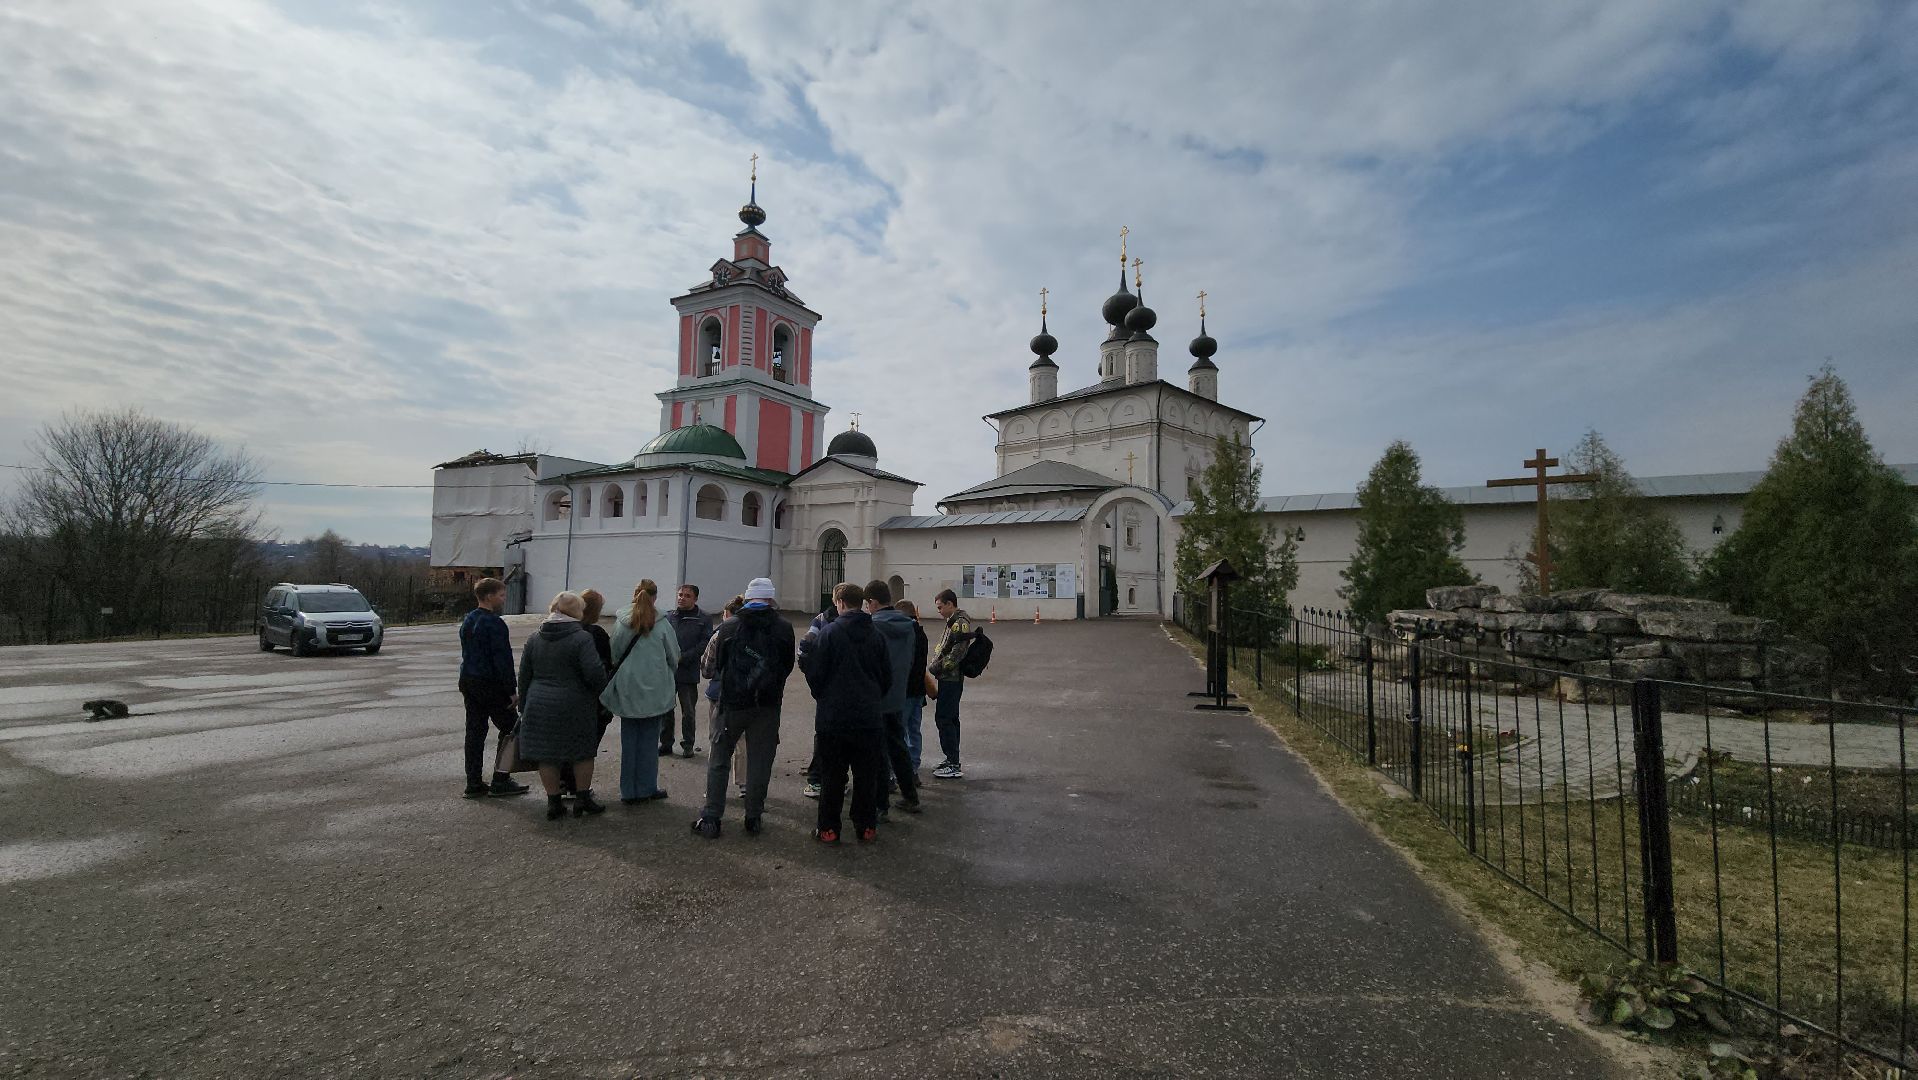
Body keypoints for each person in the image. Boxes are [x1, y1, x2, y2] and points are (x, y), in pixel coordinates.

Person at [692, 578, 795, 838]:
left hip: (731, 704)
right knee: (760, 762)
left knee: (719, 760)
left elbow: (708, 667)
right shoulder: (784, 628)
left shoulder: (728, 627)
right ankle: (753, 817)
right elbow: (786, 666)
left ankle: (712, 817)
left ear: (748, 599)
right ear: (770, 600)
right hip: (767, 706)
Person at [800, 582, 892, 844]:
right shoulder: (876, 634)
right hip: (868, 717)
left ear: (839, 603)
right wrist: (873, 698)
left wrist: (824, 697)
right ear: (861, 602)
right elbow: (887, 677)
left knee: (832, 777)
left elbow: (816, 674)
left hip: (834, 718)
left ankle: (828, 828)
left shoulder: (829, 634)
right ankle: (866, 827)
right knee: (866, 776)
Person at [515, 592, 611, 820]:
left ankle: (554, 802)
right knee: (581, 753)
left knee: (547, 755)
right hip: (574, 703)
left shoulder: (534, 637)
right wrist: (601, 694)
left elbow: (524, 675)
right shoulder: (581, 638)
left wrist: (524, 703)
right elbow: (594, 674)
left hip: (539, 703)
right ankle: (582, 799)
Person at [603, 579, 680, 805]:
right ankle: (646, 787)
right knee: (649, 741)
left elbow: (615, 653)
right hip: (654, 686)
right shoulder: (663, 623)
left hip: (628, 686)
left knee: (629, 742)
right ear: (655, 597)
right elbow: (674, 655)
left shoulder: (622, 622)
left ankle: (628, 790)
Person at [457, 577, 530, 799]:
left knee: (475, 732)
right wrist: (511, 690)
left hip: (469, 679)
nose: (503, 598)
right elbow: (502, 660)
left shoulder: (469, 619)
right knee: (511, 729)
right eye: (501, 594)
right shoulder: (495, 623)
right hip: (490, 683)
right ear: (489, 596)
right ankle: (501, 778)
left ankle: (474, 782)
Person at [864, 580, 921, 819]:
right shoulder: (909, 626)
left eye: (867, 604)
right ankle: (909, 795)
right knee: (898, 747)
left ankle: (880, 804)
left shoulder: (871, 626)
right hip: (898, 694)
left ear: (873, 603)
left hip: (875, 695)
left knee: (876, 752)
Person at [559, 589, 613, 797]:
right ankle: (576, 787)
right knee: (586, 745)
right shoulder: (595, 634)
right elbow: (602, 667)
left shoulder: (562, 631)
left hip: (564, 695)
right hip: (589, 698)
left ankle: (563, 781)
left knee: (565, 741)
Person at [663, 584, 714, 757]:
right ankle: (666, 743)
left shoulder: (704, 618)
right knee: (666, 710)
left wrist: (683, 657)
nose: (682, 598)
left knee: (688, 711)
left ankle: (688, 744)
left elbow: (705, 643)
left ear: (695, 599)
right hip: (669, 671)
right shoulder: (669, 616)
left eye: (687, 596)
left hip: (688, 672)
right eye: (680, 594)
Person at [929, 588, 974, 780]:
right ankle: (951, 758)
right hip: (949, 678)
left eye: (940, 607)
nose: (938, 611)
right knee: (950, 718)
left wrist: (938, 667)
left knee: (945, 718)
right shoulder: (954, 622)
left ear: (950, 604)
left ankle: (953, 762)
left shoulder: (959, 623)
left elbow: (957, 653)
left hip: (951, 678)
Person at [797, 602, 837, 799]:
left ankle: (818, 779)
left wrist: (814, 681)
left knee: (823, 735)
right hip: (853, 693)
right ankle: (836, 781)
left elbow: (804, 649)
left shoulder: (822, 621)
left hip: (827, 691)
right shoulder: (867, 624)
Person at [896, 598, 932, 774]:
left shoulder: (905, 633)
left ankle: (901, 769)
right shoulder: (921, 633)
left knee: (899, 731)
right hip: (918, 689)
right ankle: (913, 766)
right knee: (914, 730)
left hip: (905, 689)